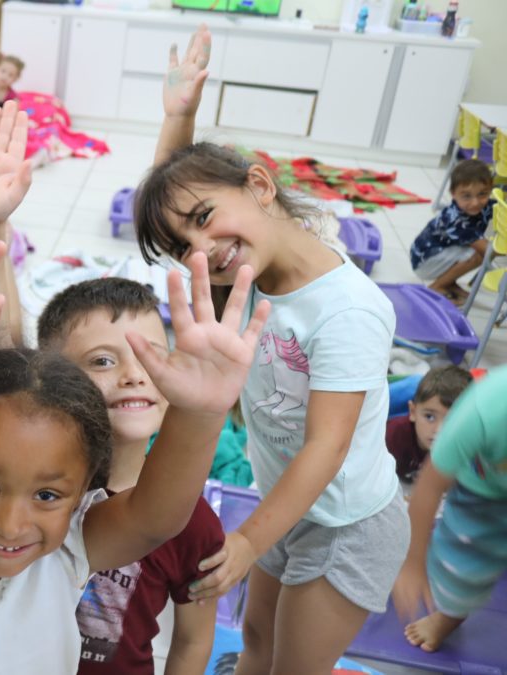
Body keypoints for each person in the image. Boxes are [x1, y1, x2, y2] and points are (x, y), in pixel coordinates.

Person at [0, 214, 268, 673]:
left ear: (85, 491)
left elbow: (156, 517)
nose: (10, 523)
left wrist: (199, 410)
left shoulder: (72, 542)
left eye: (46, 495)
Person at [135, 25, 410, 675]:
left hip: (347, 525)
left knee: (295, 663)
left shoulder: (347, 308)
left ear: (261, 184)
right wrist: (179, 118)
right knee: (255, 640)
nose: (204, 254)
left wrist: (251, 539)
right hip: (283, 498)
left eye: (206, 221)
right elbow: (178, 199)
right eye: (185, 250)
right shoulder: (247, 268)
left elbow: (328, 446)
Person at [38, 278, 224, 675]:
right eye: (103, 361)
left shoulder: (193, 520)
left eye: (151, 358)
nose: (134, 376)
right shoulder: (25, 489)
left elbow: (193, 639)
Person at [392, 367, 507, 653]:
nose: (437, 427)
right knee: (462, 570)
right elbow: (429, 487)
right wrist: (413, 562)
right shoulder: (485, 406)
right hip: (484, 495)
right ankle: (448, 616)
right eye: (430, 416)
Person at [410, 160, 496, 304]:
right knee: (481, 254)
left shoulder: (485, 205)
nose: (475, 202)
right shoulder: (456, 220)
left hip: (439, 252)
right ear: (453, 194)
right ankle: (437, 286)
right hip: (424, 262)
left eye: (482, 194)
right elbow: (488, 250)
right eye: (466, 196)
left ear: (490, 190)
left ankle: (449, 282)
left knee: (477, 249)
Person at [386, 365, 472, 485]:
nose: (439, 430)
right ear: (413, 412)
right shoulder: (393, 435)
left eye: (452, 420)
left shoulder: (466, 444)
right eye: (430, 417)